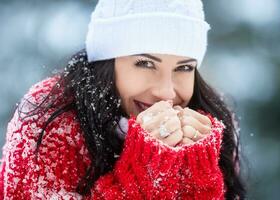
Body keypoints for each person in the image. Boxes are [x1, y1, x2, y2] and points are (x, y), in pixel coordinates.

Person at [0, 0, 246, 199]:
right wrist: (141, 171)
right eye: (145, 63)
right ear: (108, 62)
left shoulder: (207, 129)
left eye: (184, 68)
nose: (166, 92)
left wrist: (198, 174)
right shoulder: (49, 117)